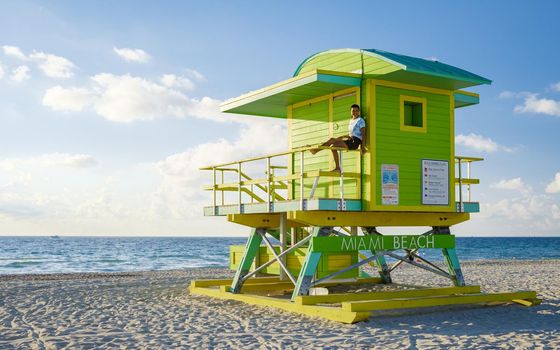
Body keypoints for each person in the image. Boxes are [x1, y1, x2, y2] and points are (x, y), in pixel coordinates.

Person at [309, 104, 367, 172]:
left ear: (359, 111)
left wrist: (362, 147)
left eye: (356, 111)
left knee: (332, 142)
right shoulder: (351, 121)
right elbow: (351, 133)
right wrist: (344, 136)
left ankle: (315, 151)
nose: (355, 112)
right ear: (351, 112)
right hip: (350, 139)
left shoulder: (360, 120)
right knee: (333, 145)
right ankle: (337, 168)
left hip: (355, 142)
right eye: (353, 111)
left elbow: (363, 134)